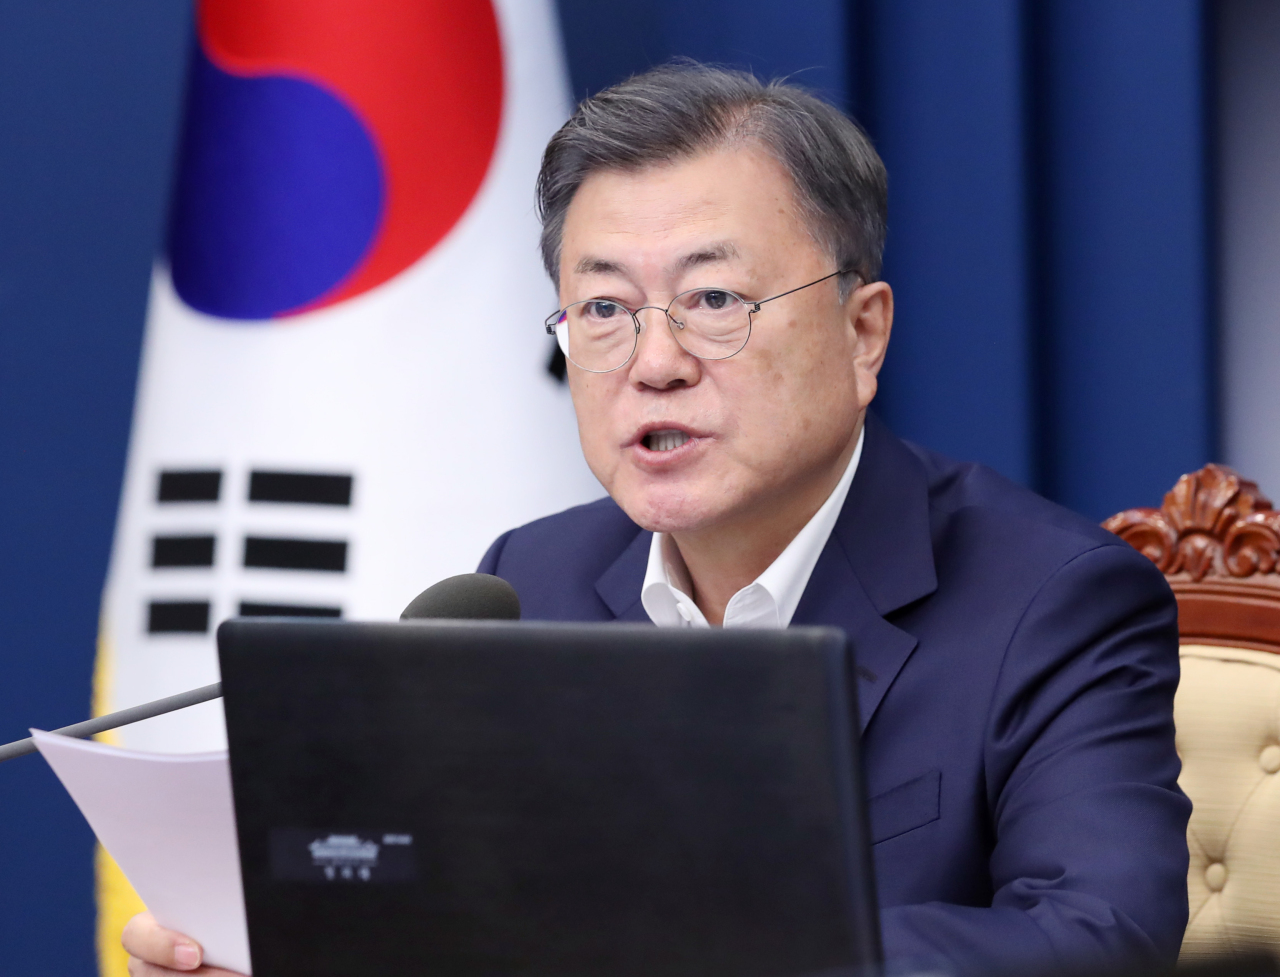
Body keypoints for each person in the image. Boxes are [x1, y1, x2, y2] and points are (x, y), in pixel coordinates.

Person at [124, 63, 1190, 976]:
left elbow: (1097, 932)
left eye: (713, 300)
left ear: (861, 335)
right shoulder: (525, 583)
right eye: (601, 310)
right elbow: (440, 905)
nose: (653, 361)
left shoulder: (1049, 599)